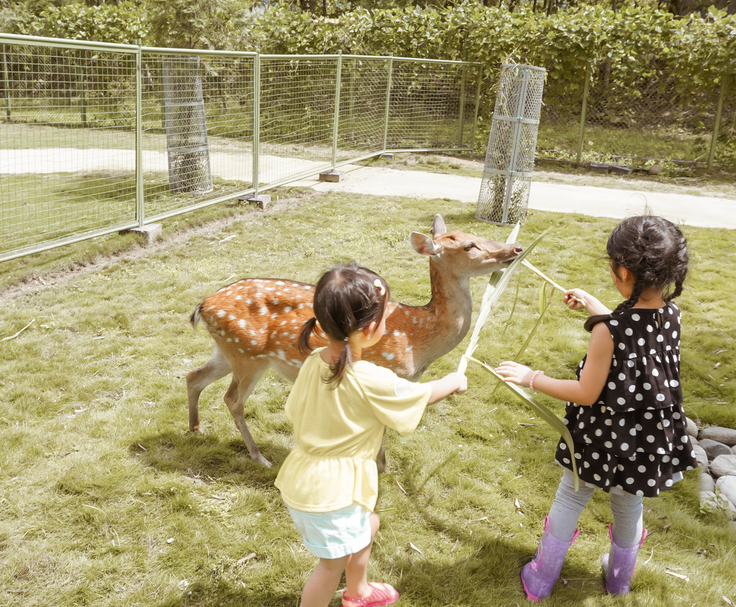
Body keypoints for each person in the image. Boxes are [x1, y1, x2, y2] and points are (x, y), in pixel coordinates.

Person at [494, 215, 697, 599]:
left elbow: (587, 393)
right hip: (645, 438)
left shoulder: (607, 332)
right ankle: (620, 580)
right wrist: (595, 306)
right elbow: (635, 333)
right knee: (628, 505)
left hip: (601, 436)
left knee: (571, 496)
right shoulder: (671, 315)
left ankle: (540, 578)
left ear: (622, 270)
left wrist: (531, 377)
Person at [275, 264, 467, 607]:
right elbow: (416, 395)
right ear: (371, 327)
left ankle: (359, 592)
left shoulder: (314, 362)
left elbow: (295, 411)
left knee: (369, 525)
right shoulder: (368, 377)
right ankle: (342, 592)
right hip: (331, 494)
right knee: (329, 567)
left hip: (306, 478)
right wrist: (452, 382)